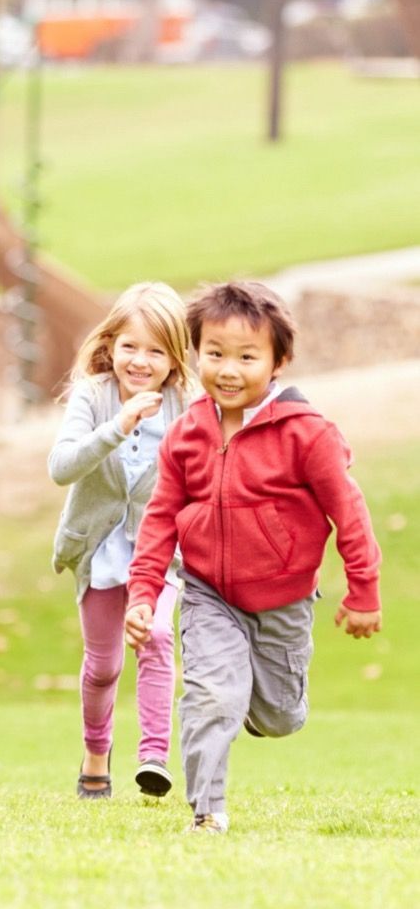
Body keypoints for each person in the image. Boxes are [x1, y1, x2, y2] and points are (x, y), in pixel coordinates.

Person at [125, 281, 382, 833]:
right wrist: (143, 594)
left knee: (280, 716)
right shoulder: (185, 435)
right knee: (212, 695)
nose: (228, 370)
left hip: (283, 599)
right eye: (214, 354)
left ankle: (258, 702)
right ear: (195, 355)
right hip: (207, 593)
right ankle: (206, 812)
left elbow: (350, 512)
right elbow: (160, 520)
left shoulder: (307, 435)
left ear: (278, 361)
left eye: (247, 356)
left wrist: (364, 590)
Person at [48, 283, 196, 801]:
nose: (140, 360)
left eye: (156, 350)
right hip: (97, 548)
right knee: (105, 664)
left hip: (161, 553)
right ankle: (95, 752)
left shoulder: (186, 407)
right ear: (110, 343)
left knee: (156, 637)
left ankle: (153, 758)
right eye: (131, 346)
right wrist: (118, 425)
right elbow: (61, 468)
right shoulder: (93, 396)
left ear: (175, 359)